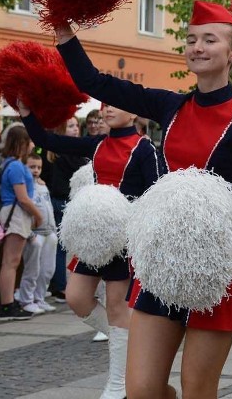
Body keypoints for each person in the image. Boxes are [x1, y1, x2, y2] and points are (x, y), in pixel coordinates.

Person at [54, 0, 232, 399]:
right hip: (161, 265)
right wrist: (63, 30)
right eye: (191, 39)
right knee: (142, 390)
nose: (197, 46)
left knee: (198, 389)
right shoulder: (171, 105)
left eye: (209, 40)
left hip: (216, 268)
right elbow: (96, 82)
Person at [19, 100, 160, 398]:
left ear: (133, 112)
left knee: (116, 306)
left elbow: (155, 193)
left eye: (115, 105)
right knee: (77, 297)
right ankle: (136, 341)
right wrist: (27, 114)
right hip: (96, 235)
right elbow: (47, 140)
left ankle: (117, 385)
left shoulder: (145, 149)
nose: (107, 110)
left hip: (124, 236)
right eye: (104, 105)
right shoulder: (97, 144)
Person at [0, 125, 42, 320]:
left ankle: (8, 302)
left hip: (13, 212)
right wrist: (38, 215)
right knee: (11, 261)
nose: (32, 145)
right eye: (29, 141)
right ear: (21, 143)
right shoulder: (16, 166)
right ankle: (7, 305)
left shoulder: (9, 163)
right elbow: (23, 198)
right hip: (16, 213)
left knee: (11, 261)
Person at [43, 116, 87, 303]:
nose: (76, 129)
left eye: (76, 125)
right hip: (62, 201)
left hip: (59, 200)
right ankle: (60, 285)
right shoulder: (66, 152)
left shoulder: (56, 151)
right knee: (62, 247)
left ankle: (58, 284)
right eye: (71, 126)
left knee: (60, 247)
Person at [18, 153, 58, 314]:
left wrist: (54, 229)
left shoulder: (43, 185)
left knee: (47, 269)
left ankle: (40, 298)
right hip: (35, 233)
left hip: (49, 232)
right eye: (32, 167)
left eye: (38, 167)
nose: (36, 171)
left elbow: (48, 207)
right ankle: (27, 299)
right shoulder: (25, 186)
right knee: (32, 269)